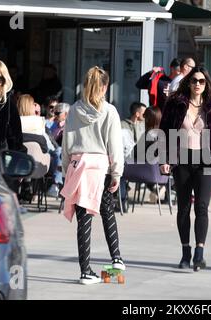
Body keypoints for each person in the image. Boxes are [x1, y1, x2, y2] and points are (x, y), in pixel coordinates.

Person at [159, 66, 211, 272]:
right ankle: (185, 252)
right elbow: (164, 132)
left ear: (206, 84)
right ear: (188, 83)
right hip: (182, 159)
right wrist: (163, 159)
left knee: (202, 207)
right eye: (194, 81)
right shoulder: (175, 103)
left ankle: (199, 253)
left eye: (202, 81)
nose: (198, 84)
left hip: (206, 160)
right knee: (183, 208)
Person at [60, 66, 125, 285]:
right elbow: (115, 145)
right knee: (108, 211)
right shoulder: (109, 111)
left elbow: (66, 145)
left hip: (79, 165)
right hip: (100, 166)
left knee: (84, 220)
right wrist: (117, 172)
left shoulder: (74, 110)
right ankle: (116, 257)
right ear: (105, 87)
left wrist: (65, 170)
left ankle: (85, 270)